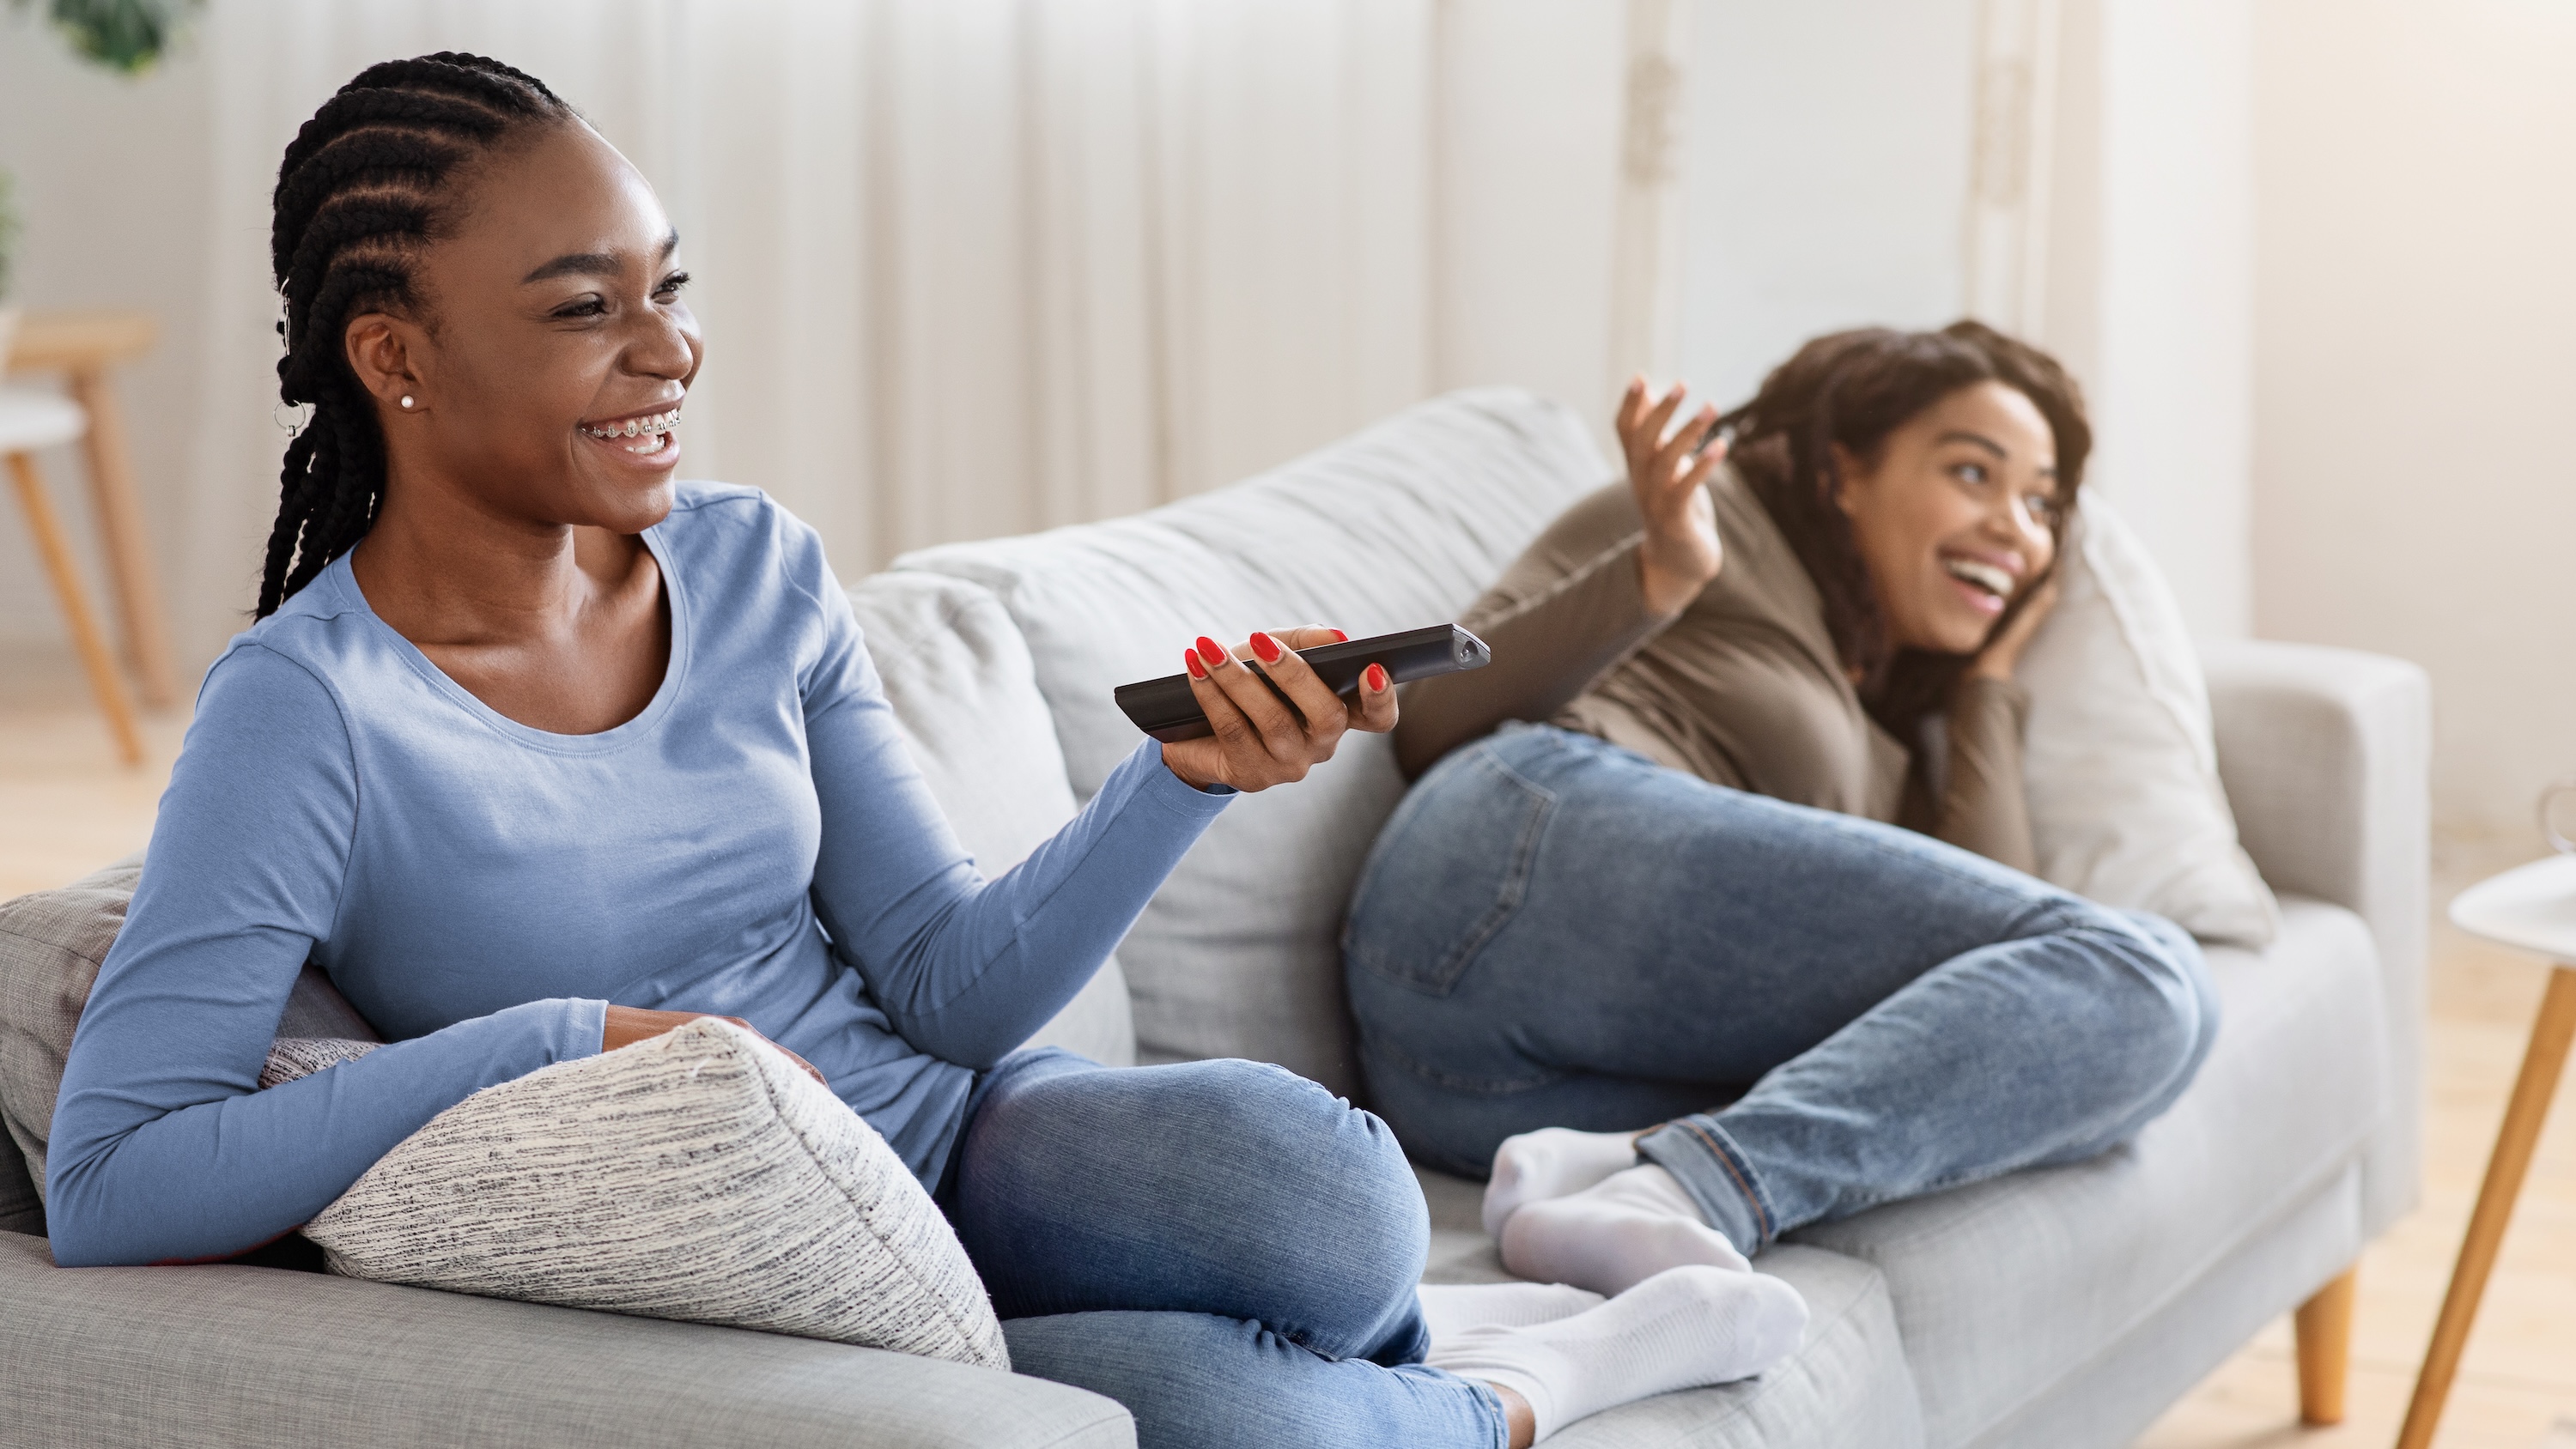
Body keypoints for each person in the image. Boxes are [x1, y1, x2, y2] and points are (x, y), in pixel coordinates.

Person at [41, 54, 1809, 1449]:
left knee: (1334, 1202)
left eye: (670, 288)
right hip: (777, 1277)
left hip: (967, 1144)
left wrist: (1177, 780)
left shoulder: (750, 566)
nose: (672, 350)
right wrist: (569, 1044)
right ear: (396, 358)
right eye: (589, 308)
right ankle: (1525, 1391)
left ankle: (1416, 1356)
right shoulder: (306, 710)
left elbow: (953, 989)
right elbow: (116, 1182)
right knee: (1219, 1415)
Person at [1342, 323, 2220, 1297]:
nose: (2016, 525)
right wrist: (1658, 574)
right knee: (2152, 972)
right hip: (1506, 851)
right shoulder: (1708, 521)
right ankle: (1688, 1190)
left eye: (2042, 504)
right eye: (1975, 473)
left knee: (2111, 1051)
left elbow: (2025, 970)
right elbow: (1426, 719)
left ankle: (1618, 1171)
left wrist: (1986, 686)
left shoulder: (1890, 719)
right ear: (1845, 472)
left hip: (1487, 1101)